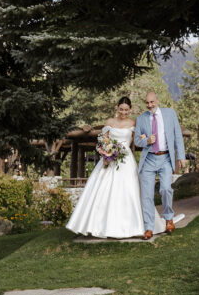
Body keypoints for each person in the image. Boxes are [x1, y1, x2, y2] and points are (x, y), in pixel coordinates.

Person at [66, 96, 179, 239]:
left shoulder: (134, 122)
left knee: (129, 190)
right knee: (103, 189)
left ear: (129, 109)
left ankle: (136, 225)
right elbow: (103, 140)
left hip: (125, 159)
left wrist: (146, 139)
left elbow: (137, 141)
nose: (123, 112)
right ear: (117, 108)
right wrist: (105, 153)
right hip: (109, 158)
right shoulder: (109, 122)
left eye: (126, 110)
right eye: (121, 109)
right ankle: (100, 225)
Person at [134, 90, 187, 240]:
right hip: (149, 160)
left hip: (165, 159)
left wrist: (181, 156)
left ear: (157, 100)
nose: (150, 105)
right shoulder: (141, 119)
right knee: (147, 196)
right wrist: (146, 141)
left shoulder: (170, 114)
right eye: (147, 103)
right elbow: (137, 141)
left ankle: (168, 218)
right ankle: (149, 227)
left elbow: (177, 136)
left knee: (165, 189)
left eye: (152, 102)